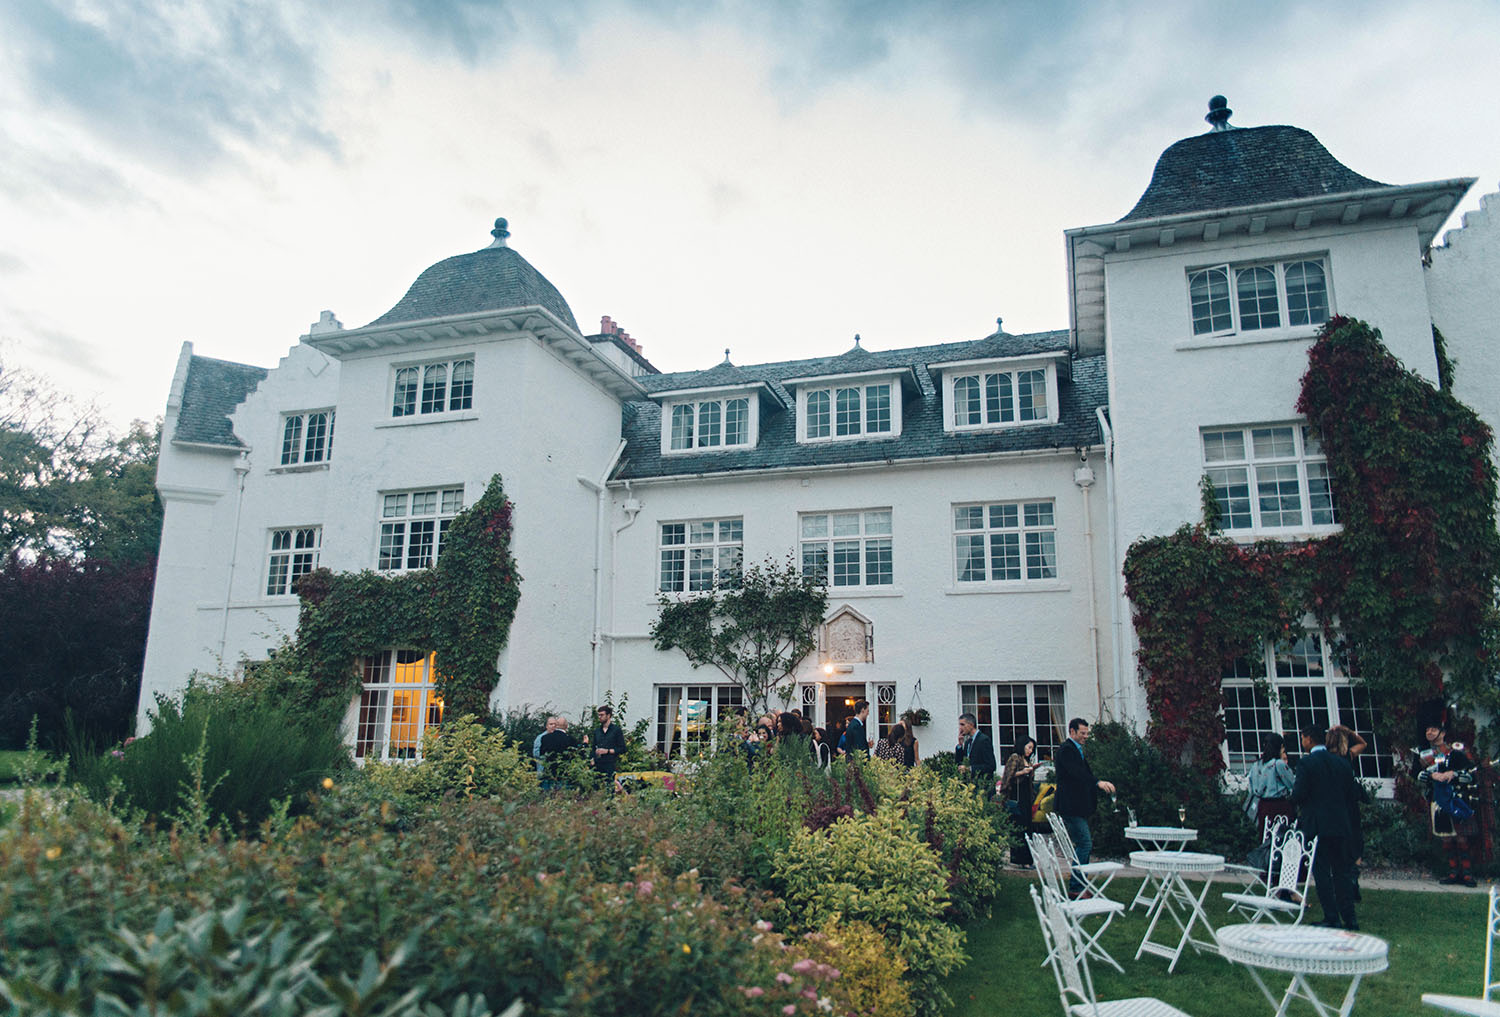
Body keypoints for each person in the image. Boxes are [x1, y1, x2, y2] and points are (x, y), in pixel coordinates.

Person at [1291, 723, 1360, 929]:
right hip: (1340, 824)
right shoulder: (1342, 763)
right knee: (1341, 872)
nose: (1302, 742)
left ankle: (1331, 917)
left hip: (1318, 825)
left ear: (1309, 739)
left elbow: (1298, 794)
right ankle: (1350, 918)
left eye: (1303, 738)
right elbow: (1351, 794)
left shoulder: (1307, 764)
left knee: (1321, 872)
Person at [1055, 717, 1116, 898]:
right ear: (1072, 732)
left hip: (1077, 807)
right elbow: (1078, 774)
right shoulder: (1067, 750)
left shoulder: (1076, 750)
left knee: (1083, 844)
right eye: (1082, 733)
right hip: (1070, 807)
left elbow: (1084, 773)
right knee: (1085, 843)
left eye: (1087, 733)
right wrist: (1097, 783)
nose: (1085, 736)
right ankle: (1076, 887)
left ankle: (1080, 885)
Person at [1417, 720, 1480, 886]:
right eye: (1428, 728)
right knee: (1446, 838)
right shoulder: (1424, 755)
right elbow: (1418, 775)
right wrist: (1431, 776)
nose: (1429, 732)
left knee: (1462, 838)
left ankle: (1467, 874)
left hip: (1457, 798)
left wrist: (1454, 773)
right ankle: (1453, 872)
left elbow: (1472, 773)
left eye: (1433, 729)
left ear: (1443, 733)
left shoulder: (1457, 751)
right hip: (1438, 801)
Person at [1244, 732, 1296, 841]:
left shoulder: (1256, 765)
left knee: (1265, 836)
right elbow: (1292, 783)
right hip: (1279, 805)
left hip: (1262, 805)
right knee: (1281, 838)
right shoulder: (1278, 764)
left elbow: (1252, 787)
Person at [1000, 736, 1039, 866]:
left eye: (1032, 749)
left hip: (1026, 797)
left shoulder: (1026, 759)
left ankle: (1028, 859)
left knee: (1028, 827)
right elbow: (1008, 776)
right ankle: (1019, 859)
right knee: (1019, 827)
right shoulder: (1015, 757)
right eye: (1028, 747)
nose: (1030, 751)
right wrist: (1022, 772)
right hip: (1017, 796)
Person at [955, 712, 997, 788]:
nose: (960, 728)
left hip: (982, 786)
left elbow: (991, 766)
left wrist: (970, 769)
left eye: (962, 724)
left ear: (971, 725)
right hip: (969, 786)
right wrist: (960, 745)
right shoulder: (968, 742)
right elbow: (960, 762)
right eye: (959, 725)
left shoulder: (984, 740)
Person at [589, 705, 627, 788]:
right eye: (598, 715)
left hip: (609, 763)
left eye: (602, 715)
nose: (599, 717)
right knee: (595, 787)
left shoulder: (616, 730)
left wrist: (608, 751)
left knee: (609, 788)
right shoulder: (597, 731)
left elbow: (622, 748)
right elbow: (593, 747)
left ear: (608, 715)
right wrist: (592, 758)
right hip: (597, 764)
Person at [537, 715, 577, 790]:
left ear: (556, 725)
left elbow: (541, 755)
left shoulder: (545, 738)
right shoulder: (570, 739)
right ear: (567, 726)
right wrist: (585, 744)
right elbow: (576, 756)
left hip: (549, 773)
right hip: (564, 774)